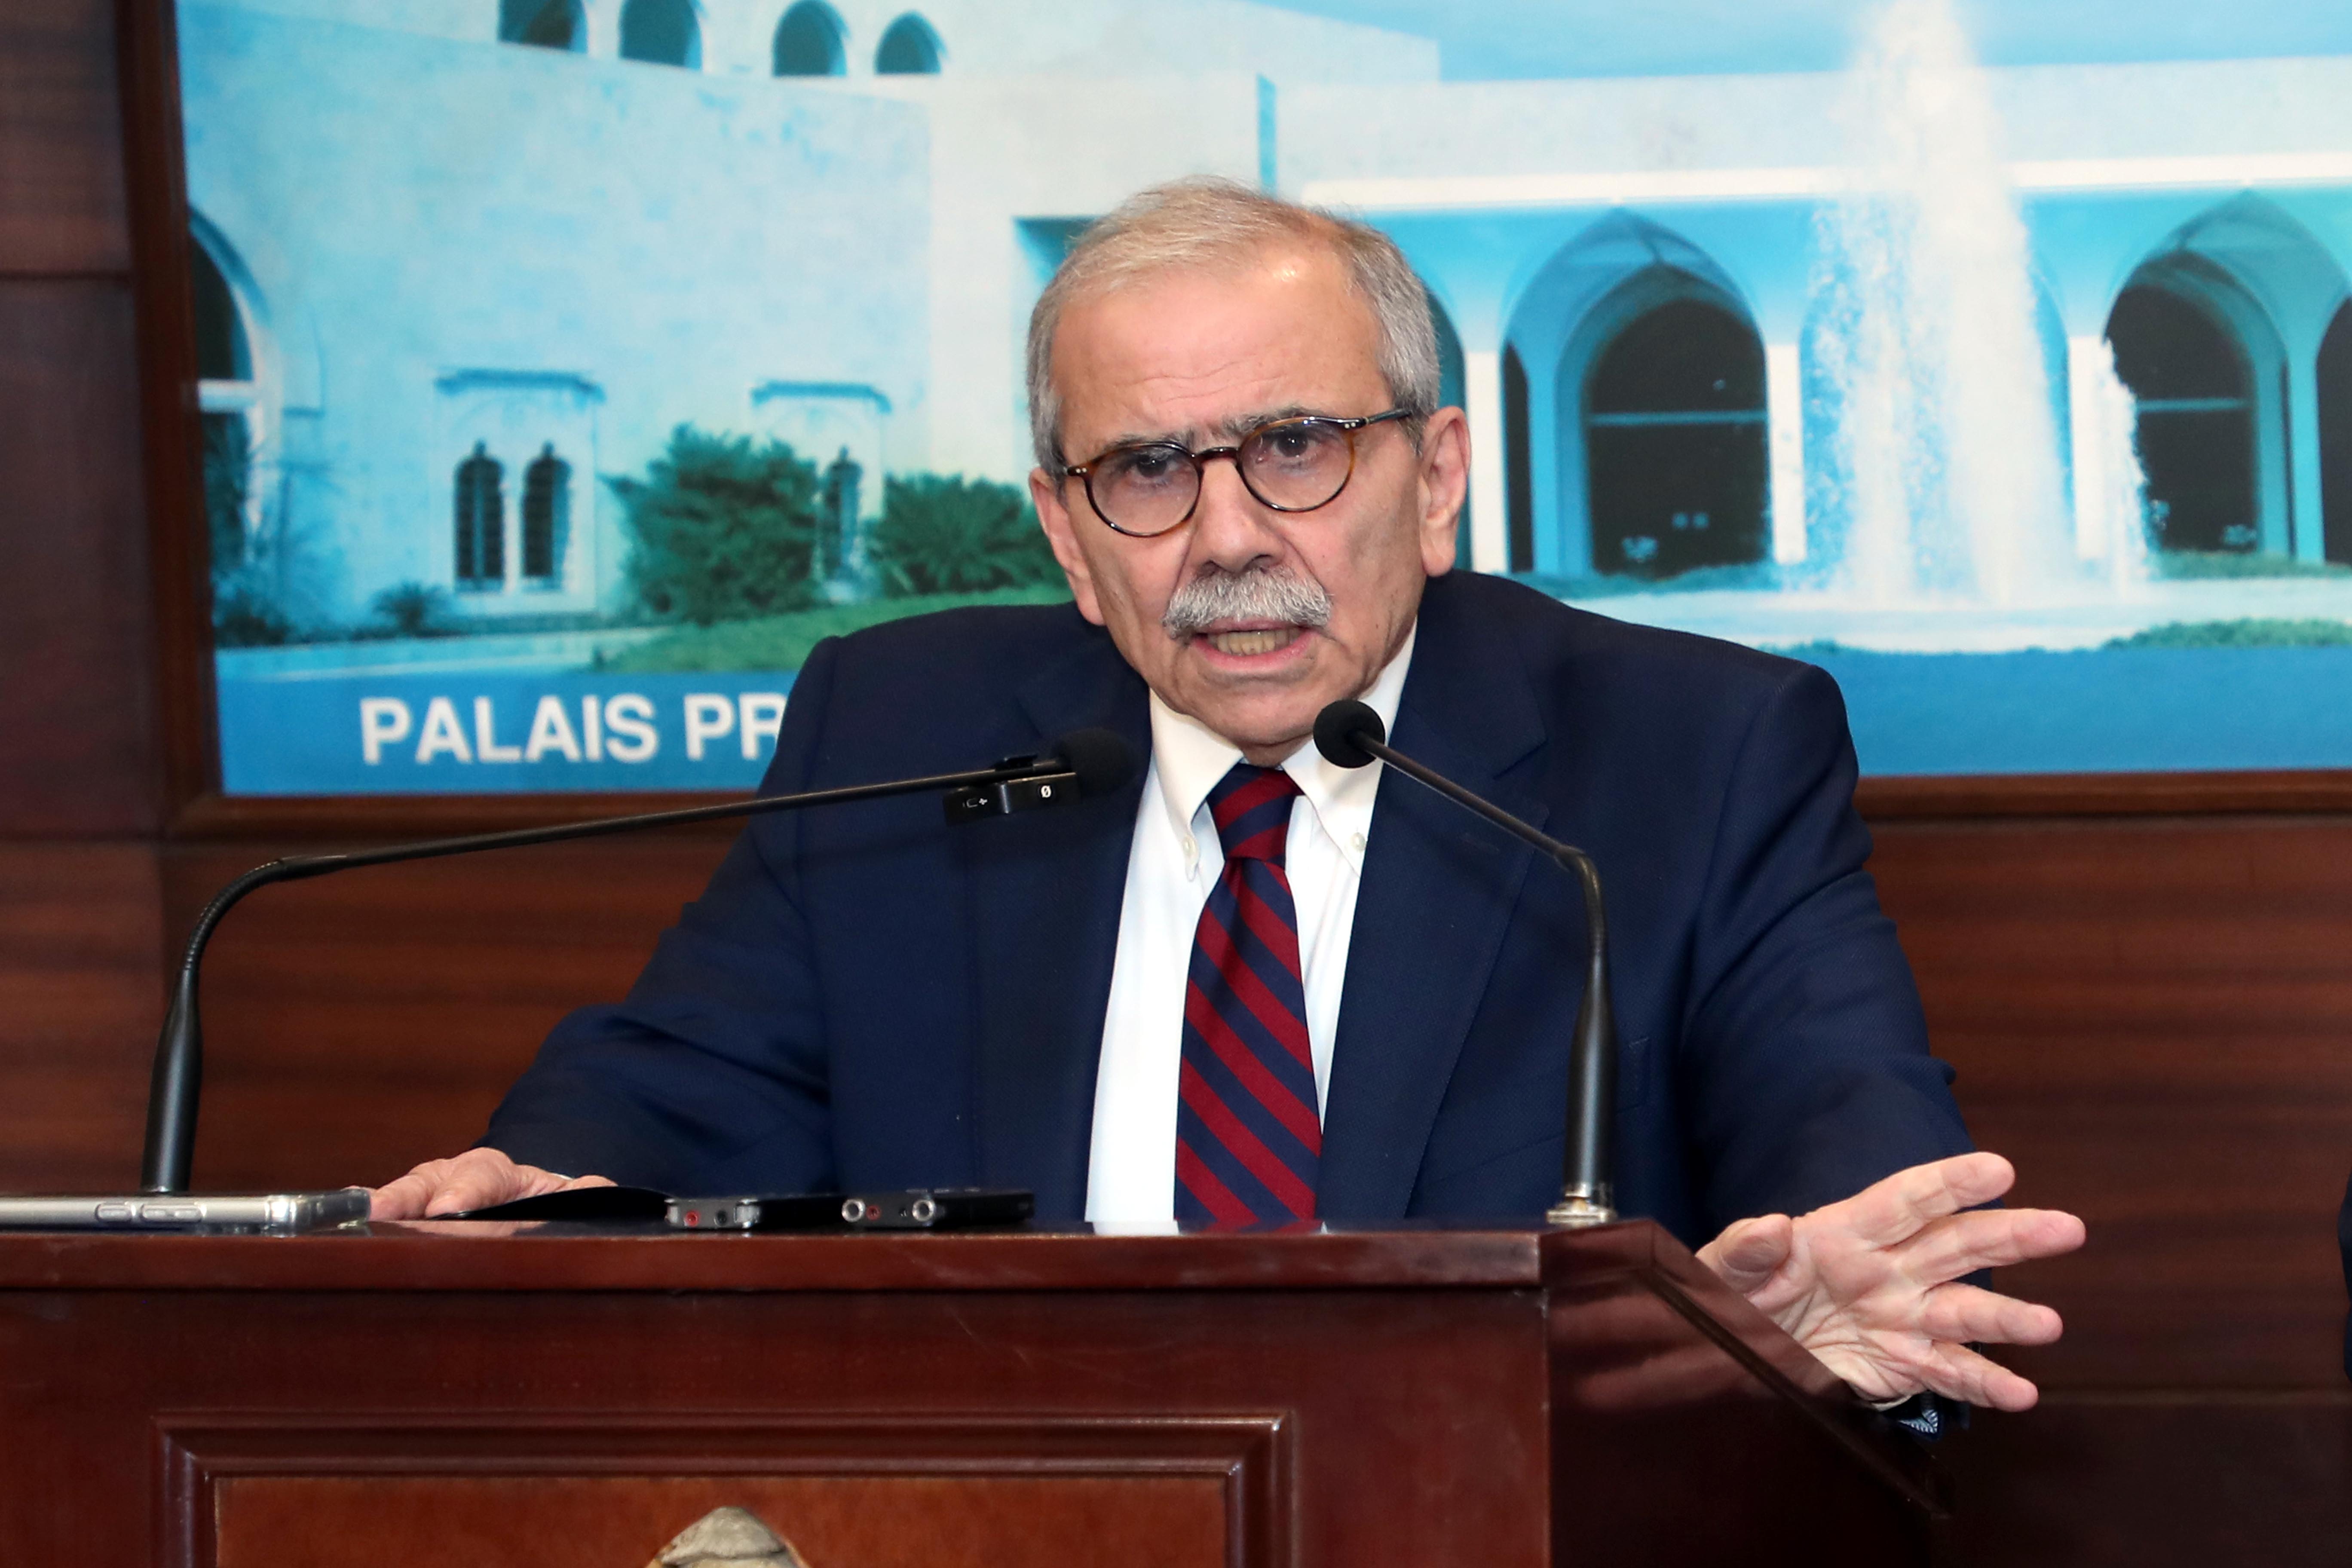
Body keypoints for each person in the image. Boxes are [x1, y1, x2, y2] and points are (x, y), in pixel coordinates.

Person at [374, 178, 2084, 1415]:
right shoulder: (901, 730)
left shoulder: (1690, 753)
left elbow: (1854, 1163)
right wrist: (545, 1189)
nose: (1229, 537)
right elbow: (676, 1093)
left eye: (1295, 447)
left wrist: (1829, 1317)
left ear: (1437, 479)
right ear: (1065, 536)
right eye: (1145, 470)